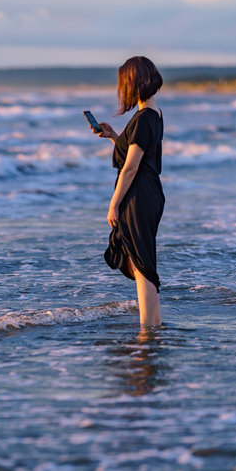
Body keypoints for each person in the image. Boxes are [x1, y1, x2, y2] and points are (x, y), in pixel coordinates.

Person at [91, 56, 165, 327]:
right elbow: (136, 151)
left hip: (138, 194)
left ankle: (148, 330)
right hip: (149, 192)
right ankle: (153, 324)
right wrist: (113, 136)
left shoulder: (145, 117)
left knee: (141, 264)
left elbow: (131, 167)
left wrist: (114, 203)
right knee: (142, 262)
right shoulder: (153, 114)